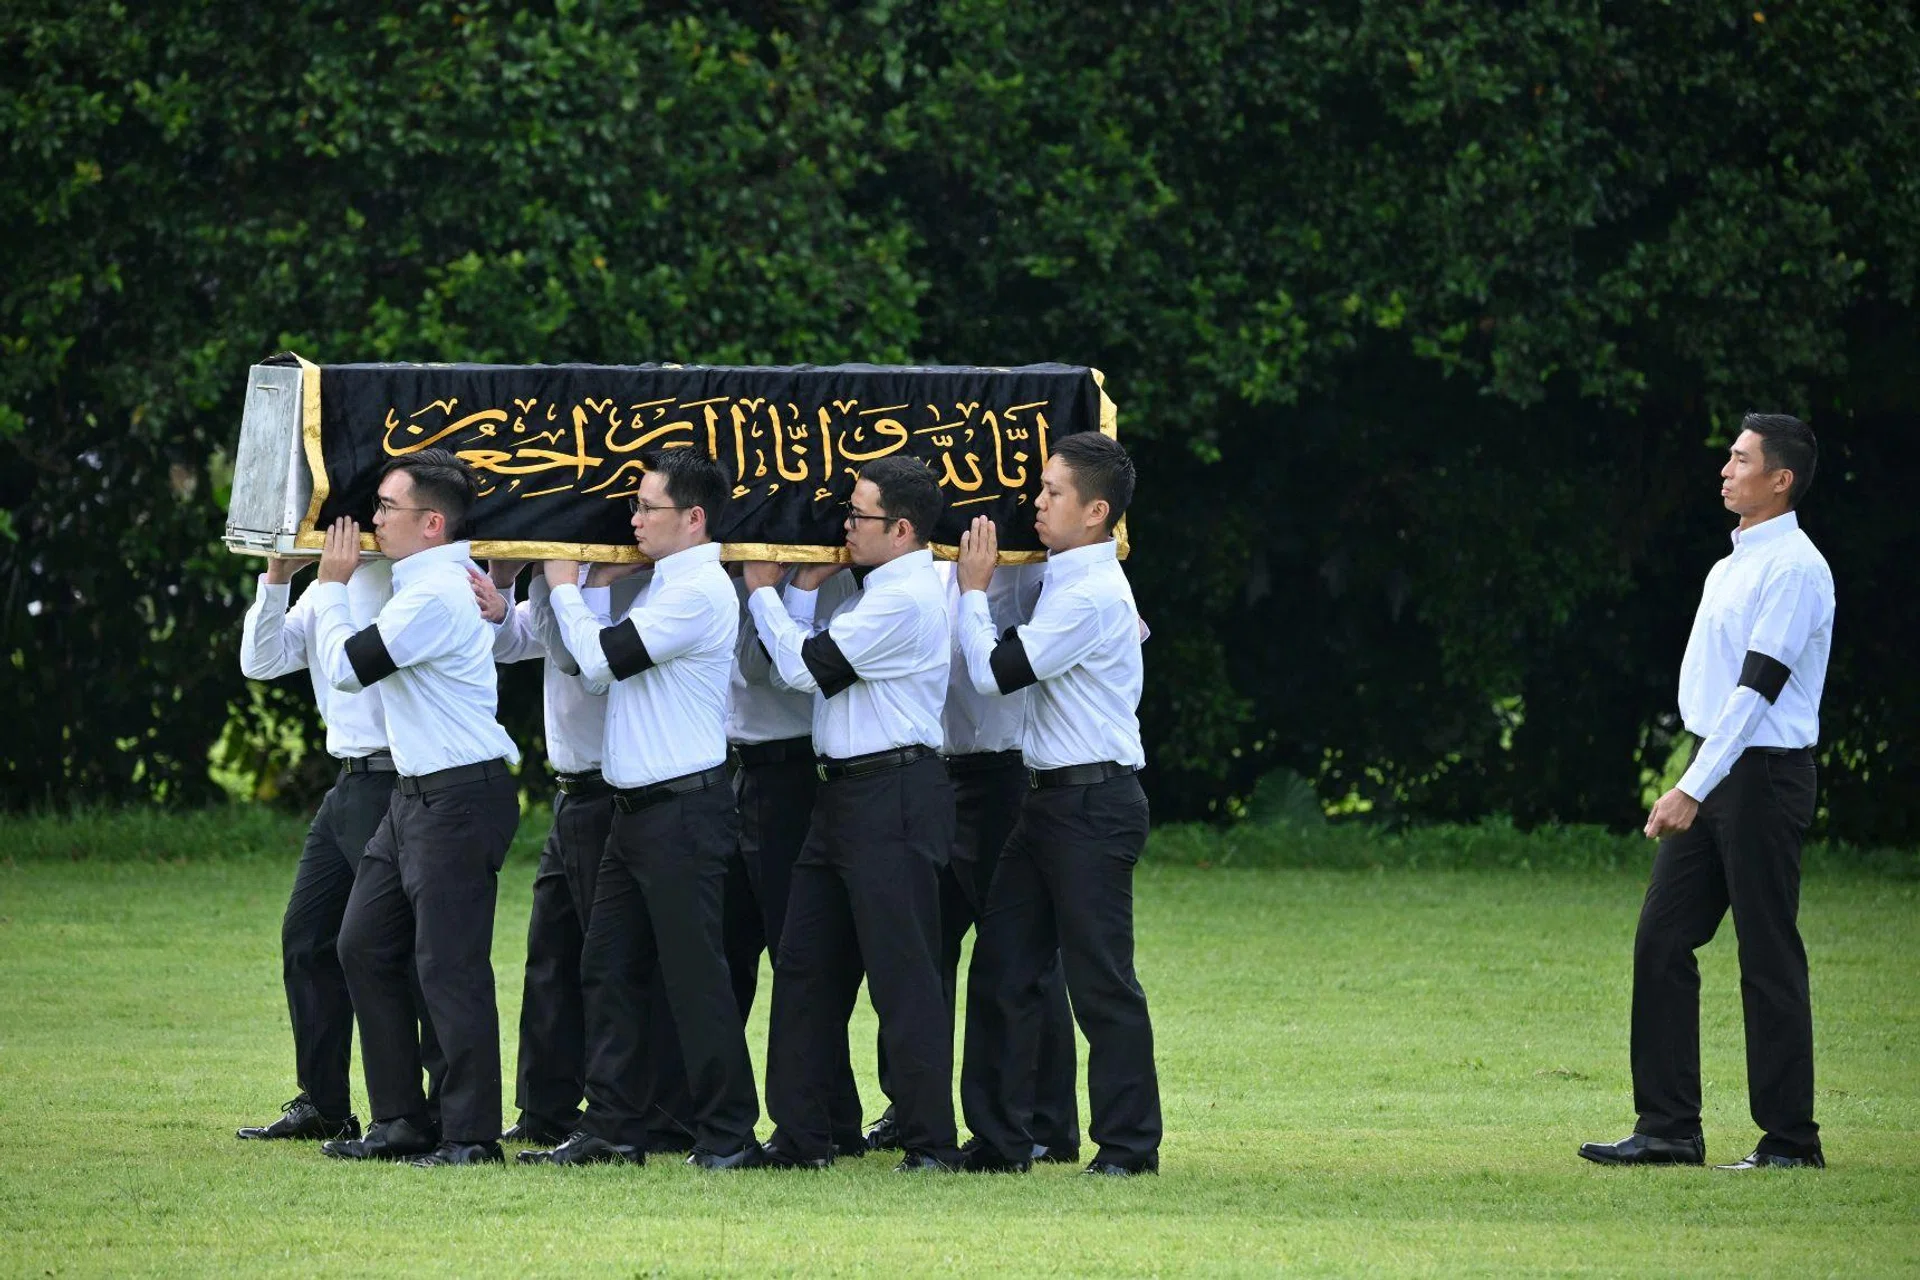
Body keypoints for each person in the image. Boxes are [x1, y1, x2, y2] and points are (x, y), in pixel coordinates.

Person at [1580, 413, 1834, 1172]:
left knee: (1767, 954)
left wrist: (1691, 785)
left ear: (1779, 479)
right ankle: (1668, 1130)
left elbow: (1758, 690)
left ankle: (1791, 1142)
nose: (1725, 469)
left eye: (1740, 458)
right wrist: (1697, 770)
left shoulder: (1794, 569)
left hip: (1760, 775)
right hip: (1717, 762)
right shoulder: (1730, 565)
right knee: (1662, 939)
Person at [523, 449, 761, 1169]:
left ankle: (727, 1136)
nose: (633, 518)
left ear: (694, 519)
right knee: (607, 969)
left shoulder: (699, 594)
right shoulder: (663, 586)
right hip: (635, 814)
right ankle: (613, 1127)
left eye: (646, 507)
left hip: (683, 813)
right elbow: (587, 668)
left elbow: (599, 663)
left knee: (695, 978)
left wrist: (567, 585)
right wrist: (572, 591)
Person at [741, 456, 962, 1172]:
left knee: (903, 971)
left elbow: (806, 669)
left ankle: (930, 1142)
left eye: (859, 515)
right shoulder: (871, 593)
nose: (846, 526)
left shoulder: (905, 598)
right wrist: (799, 594)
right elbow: (797, 667)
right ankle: (802, 1136)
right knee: (805, 964)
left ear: (901, 528)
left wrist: (763, 595)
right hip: (842, 795)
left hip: (892, 795)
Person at [306, 448, 523, 1168]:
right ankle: (401, 1119)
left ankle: (470, 1136)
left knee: (448, 966)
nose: (373, 521)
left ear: (432, 523)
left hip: (459, 796)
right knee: (362, 944)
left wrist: (332, 588)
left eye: (386, 509)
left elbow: (347, 668)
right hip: (414, 796)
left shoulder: (434, 595)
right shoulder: (420, 583)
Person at [954, 431, 1161, 1176]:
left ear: (1096, 511)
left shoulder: (1094, 592)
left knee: (1100, 979)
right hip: (1046, 803)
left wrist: (973, 594)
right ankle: (1001, 1141)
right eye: (1039, 489)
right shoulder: (1068, 578)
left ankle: (1130, 1148)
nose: (1034, 504)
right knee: (1003, 970)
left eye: (1052, 494)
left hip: (1092, 804)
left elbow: (996, 674)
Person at [865, 560, 1083, 1163]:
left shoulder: (1029, 562)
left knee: (1023, 955)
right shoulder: (919, 558)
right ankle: (911, 1105)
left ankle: (1045, 1122)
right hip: (935, 768)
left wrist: (986, 586)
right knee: (919, 951)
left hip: (1005, 766)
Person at [473, 562, 694, 1153]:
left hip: (615, 789)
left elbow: (583, 661)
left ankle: (639, 1114)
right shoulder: (571, 578)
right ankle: (545, 1108)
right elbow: (514, 640)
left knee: (613, 962)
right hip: (571, 790)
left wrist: (558, 582)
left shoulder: (645, 584)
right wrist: (508, 585)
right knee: (551, 952)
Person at [234, 553, 446, 1141]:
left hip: (394, 776)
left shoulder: (406, 580)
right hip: (347, 781)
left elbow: (357, 668)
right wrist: (279, 576)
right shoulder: (334, 581)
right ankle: (324, 1103)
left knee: (395, 951)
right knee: (306, 938)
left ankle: (433, 1110)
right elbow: (262, 660)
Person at [721, 566, 869, 1158]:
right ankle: (703, 1111)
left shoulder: (829, 579)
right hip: (736, 769)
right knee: (726, 951)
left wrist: (776, 587)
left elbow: (768, 669)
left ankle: (829, 1119)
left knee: (800, 954)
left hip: (792, 770)